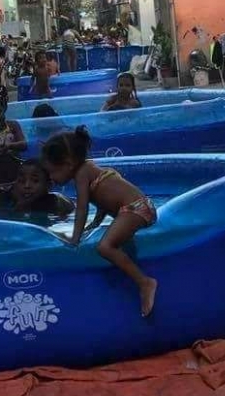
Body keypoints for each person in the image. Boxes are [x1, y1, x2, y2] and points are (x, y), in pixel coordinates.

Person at [40, 126, 157, 317]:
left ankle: (145, 282)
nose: (51, 178)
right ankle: (132, 274)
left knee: (104, 247)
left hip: (135, 209)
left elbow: (83, 208)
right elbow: (105, 200)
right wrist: (95, 224)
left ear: (68, 163)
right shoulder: (90, 168)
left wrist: (75, 239)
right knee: (117, 243)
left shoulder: (81, 174)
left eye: (52, 172)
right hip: (139, 207)